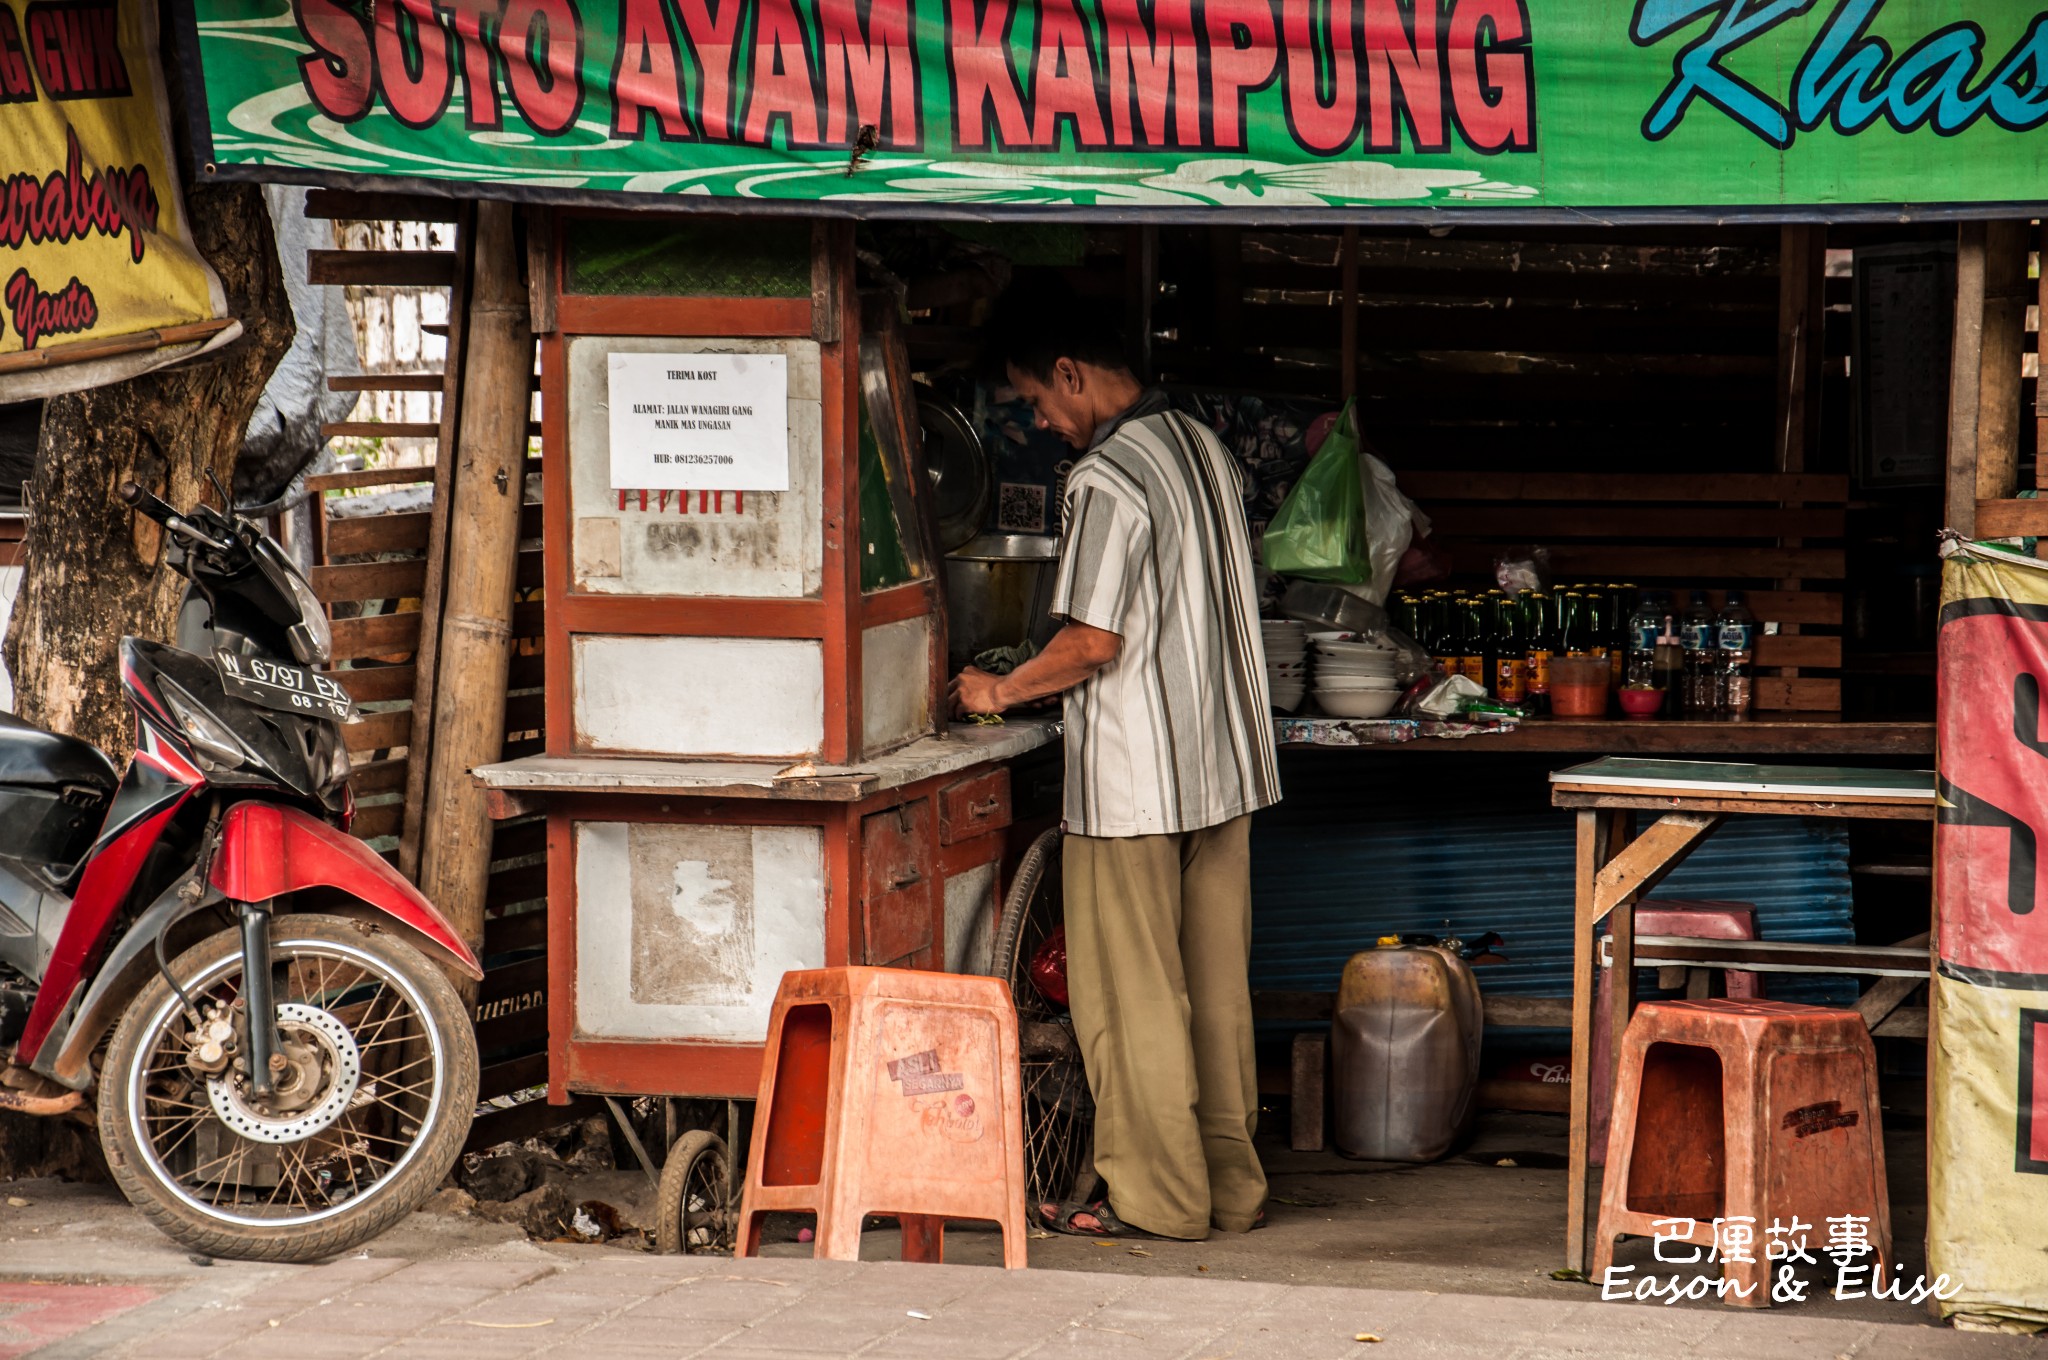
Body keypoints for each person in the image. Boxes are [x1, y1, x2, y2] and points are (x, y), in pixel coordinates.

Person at [950, 290, 1280, 1241]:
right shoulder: (1203, 447)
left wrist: (998, 691)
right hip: (1226, 771)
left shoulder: (1106, 475)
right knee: (1215, 993)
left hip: (1137, 784)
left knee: (1130, 1000)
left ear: (1070, 373)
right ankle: (1230, 1189)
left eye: (1039, 405)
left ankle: (1160, 1204)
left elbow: (1091, 642)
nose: (1043, 424)